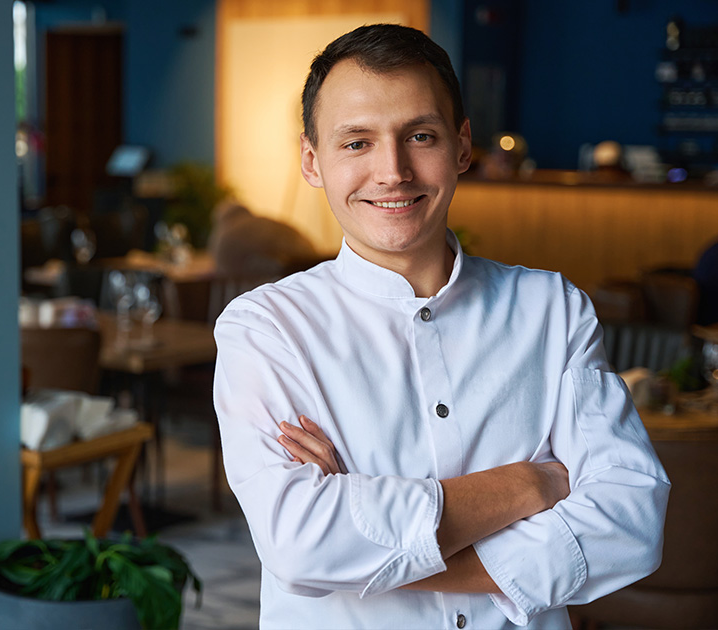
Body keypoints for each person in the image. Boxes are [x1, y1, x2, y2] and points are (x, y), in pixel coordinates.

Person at [213, 24, 669, 629]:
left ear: (461, 147)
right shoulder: (266, 329)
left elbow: (631, 521)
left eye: (420, 136)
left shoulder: (553, 309)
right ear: (312, 161)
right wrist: (527, 485)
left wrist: (364, 540)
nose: (392, 171)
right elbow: (299, 545)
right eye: (357, 142)